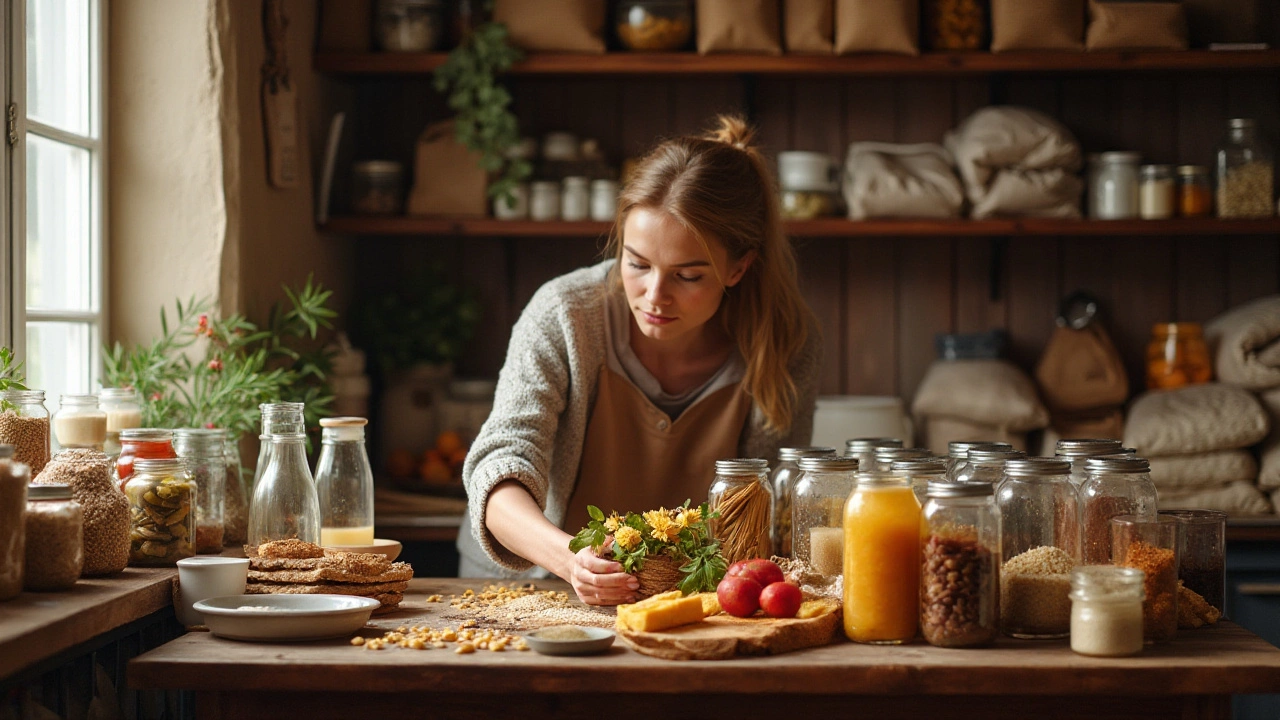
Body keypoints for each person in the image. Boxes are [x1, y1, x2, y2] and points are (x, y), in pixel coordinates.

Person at [457, 115, 821, 605]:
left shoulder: (784, 341)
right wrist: (570, 560)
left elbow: (765, 511)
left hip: (688, 595)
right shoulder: (566, 313)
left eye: (688, 276)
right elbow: (501, 461)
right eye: (637, 263)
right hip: (531, 585)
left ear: (738, 268)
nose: (654, 296)